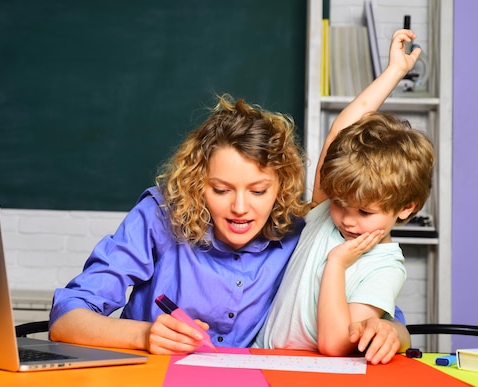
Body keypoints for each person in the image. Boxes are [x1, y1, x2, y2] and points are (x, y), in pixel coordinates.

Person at [49, 44, 411, 365]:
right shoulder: (159, 215)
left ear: (282, 186)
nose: (241, 208)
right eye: (221, 190)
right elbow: (66, 320)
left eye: (258, 191)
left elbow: (386, 317)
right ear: (196, 182)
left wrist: (393, 333)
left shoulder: (300, 229)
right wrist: (142, 335)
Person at [252, 29, 432, 360]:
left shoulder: (386, 267)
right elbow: (339, 131)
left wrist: (335, 264)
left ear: (406, 207)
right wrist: (394, 72)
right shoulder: (323, 212)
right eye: (340, 204)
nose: (347, 220)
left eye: (365, 213)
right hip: (260, 359)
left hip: (312, 374)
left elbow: (335, 344)